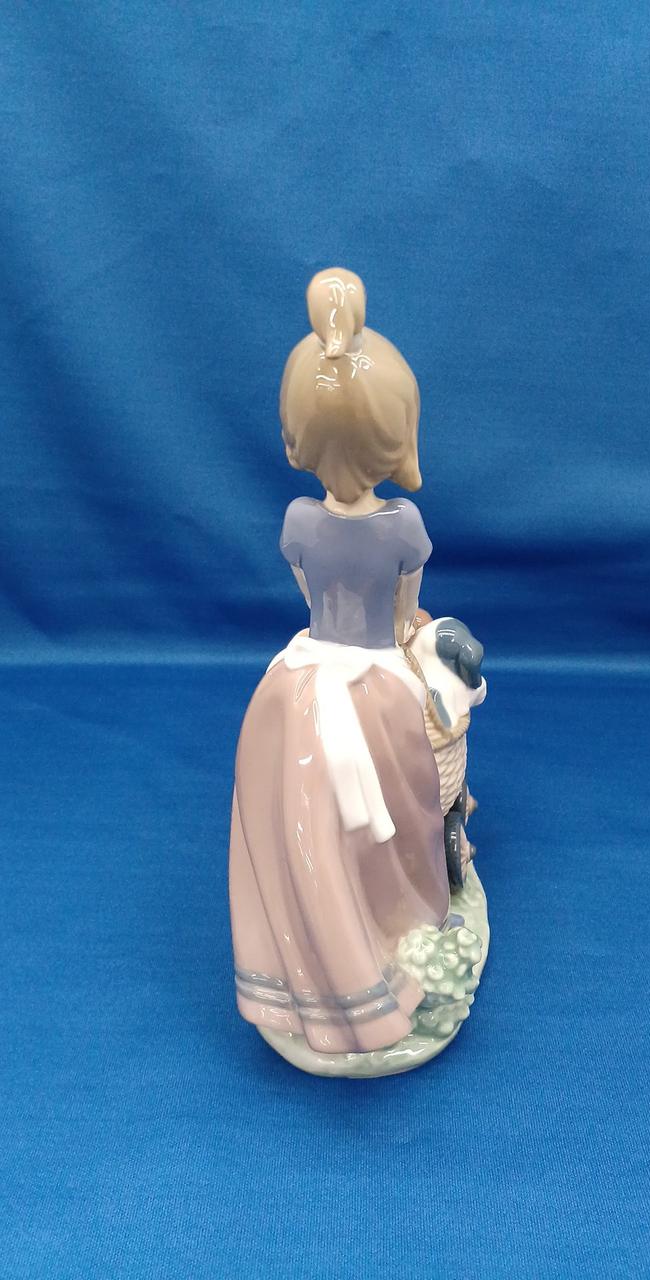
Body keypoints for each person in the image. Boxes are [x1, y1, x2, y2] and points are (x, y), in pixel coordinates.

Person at [229, 268, 449, 1055]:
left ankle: (297, 960)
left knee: (280, 811)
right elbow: (402, 612)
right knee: (405, 796)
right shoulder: (402, 526)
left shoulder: (297, 520)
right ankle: (393, 924)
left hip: (298, 682)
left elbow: (308, 595)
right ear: (395, 438)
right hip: (372, 682)